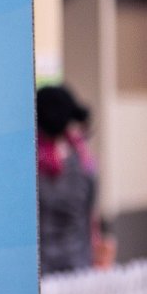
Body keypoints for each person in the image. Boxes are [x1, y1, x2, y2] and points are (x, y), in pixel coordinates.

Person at [36, 84, 109, 273]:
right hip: (78, 268)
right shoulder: (83, 161)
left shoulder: (30, 167)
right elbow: (91, 216)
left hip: (42, 271)